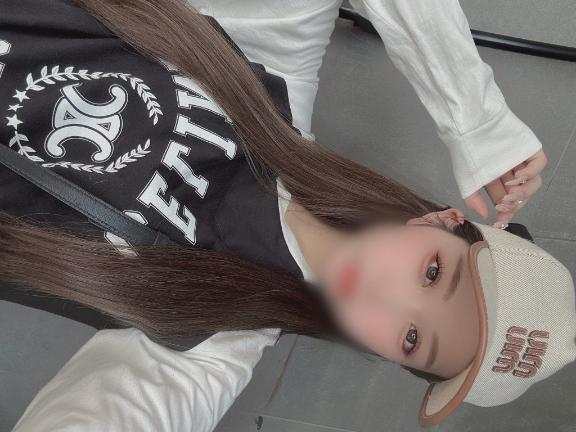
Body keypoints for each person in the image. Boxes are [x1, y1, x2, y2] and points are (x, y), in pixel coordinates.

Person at [1, 0, 572, 430]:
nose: (385, 300)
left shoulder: (215, 341)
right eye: (432, 274)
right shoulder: (273, 84)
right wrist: (478, 123)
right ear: (440, 221)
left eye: (411, 337)